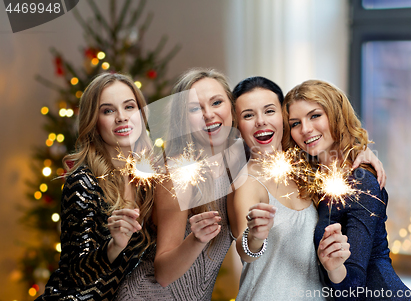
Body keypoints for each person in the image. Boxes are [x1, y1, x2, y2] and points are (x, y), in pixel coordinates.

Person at [228, 76, 383, 300]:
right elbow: (246, 253)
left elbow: (332, 150)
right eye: (248, 115)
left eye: (269, 111)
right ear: (238, 126)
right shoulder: (247, 182)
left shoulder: (303, 168)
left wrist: (361, 151)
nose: (260, 121)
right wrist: (254, 236)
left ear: (282, 119)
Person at [282, 79, 411, 300]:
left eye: (315, 115)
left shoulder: (360, 181)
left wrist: (333, 266)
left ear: (336, 114)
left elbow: (354, 284)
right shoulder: (309, 177)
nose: (305, 129)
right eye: (295, 123)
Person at [115, 68, 243, 301]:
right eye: (195, 108)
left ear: (231, 107)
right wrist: (196, 239)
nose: (209, 114)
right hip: (150, 295)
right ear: (182, 120)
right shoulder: (178, 173)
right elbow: (163, 273)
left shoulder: (239, 158)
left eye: (216, 102)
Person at [36, 73, 155, 301]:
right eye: (108, 111)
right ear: (94, 121)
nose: (121, 117)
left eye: (129, 107)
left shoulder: (152, 180)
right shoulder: (81, 181)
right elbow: (76, 273)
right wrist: (114, 245)